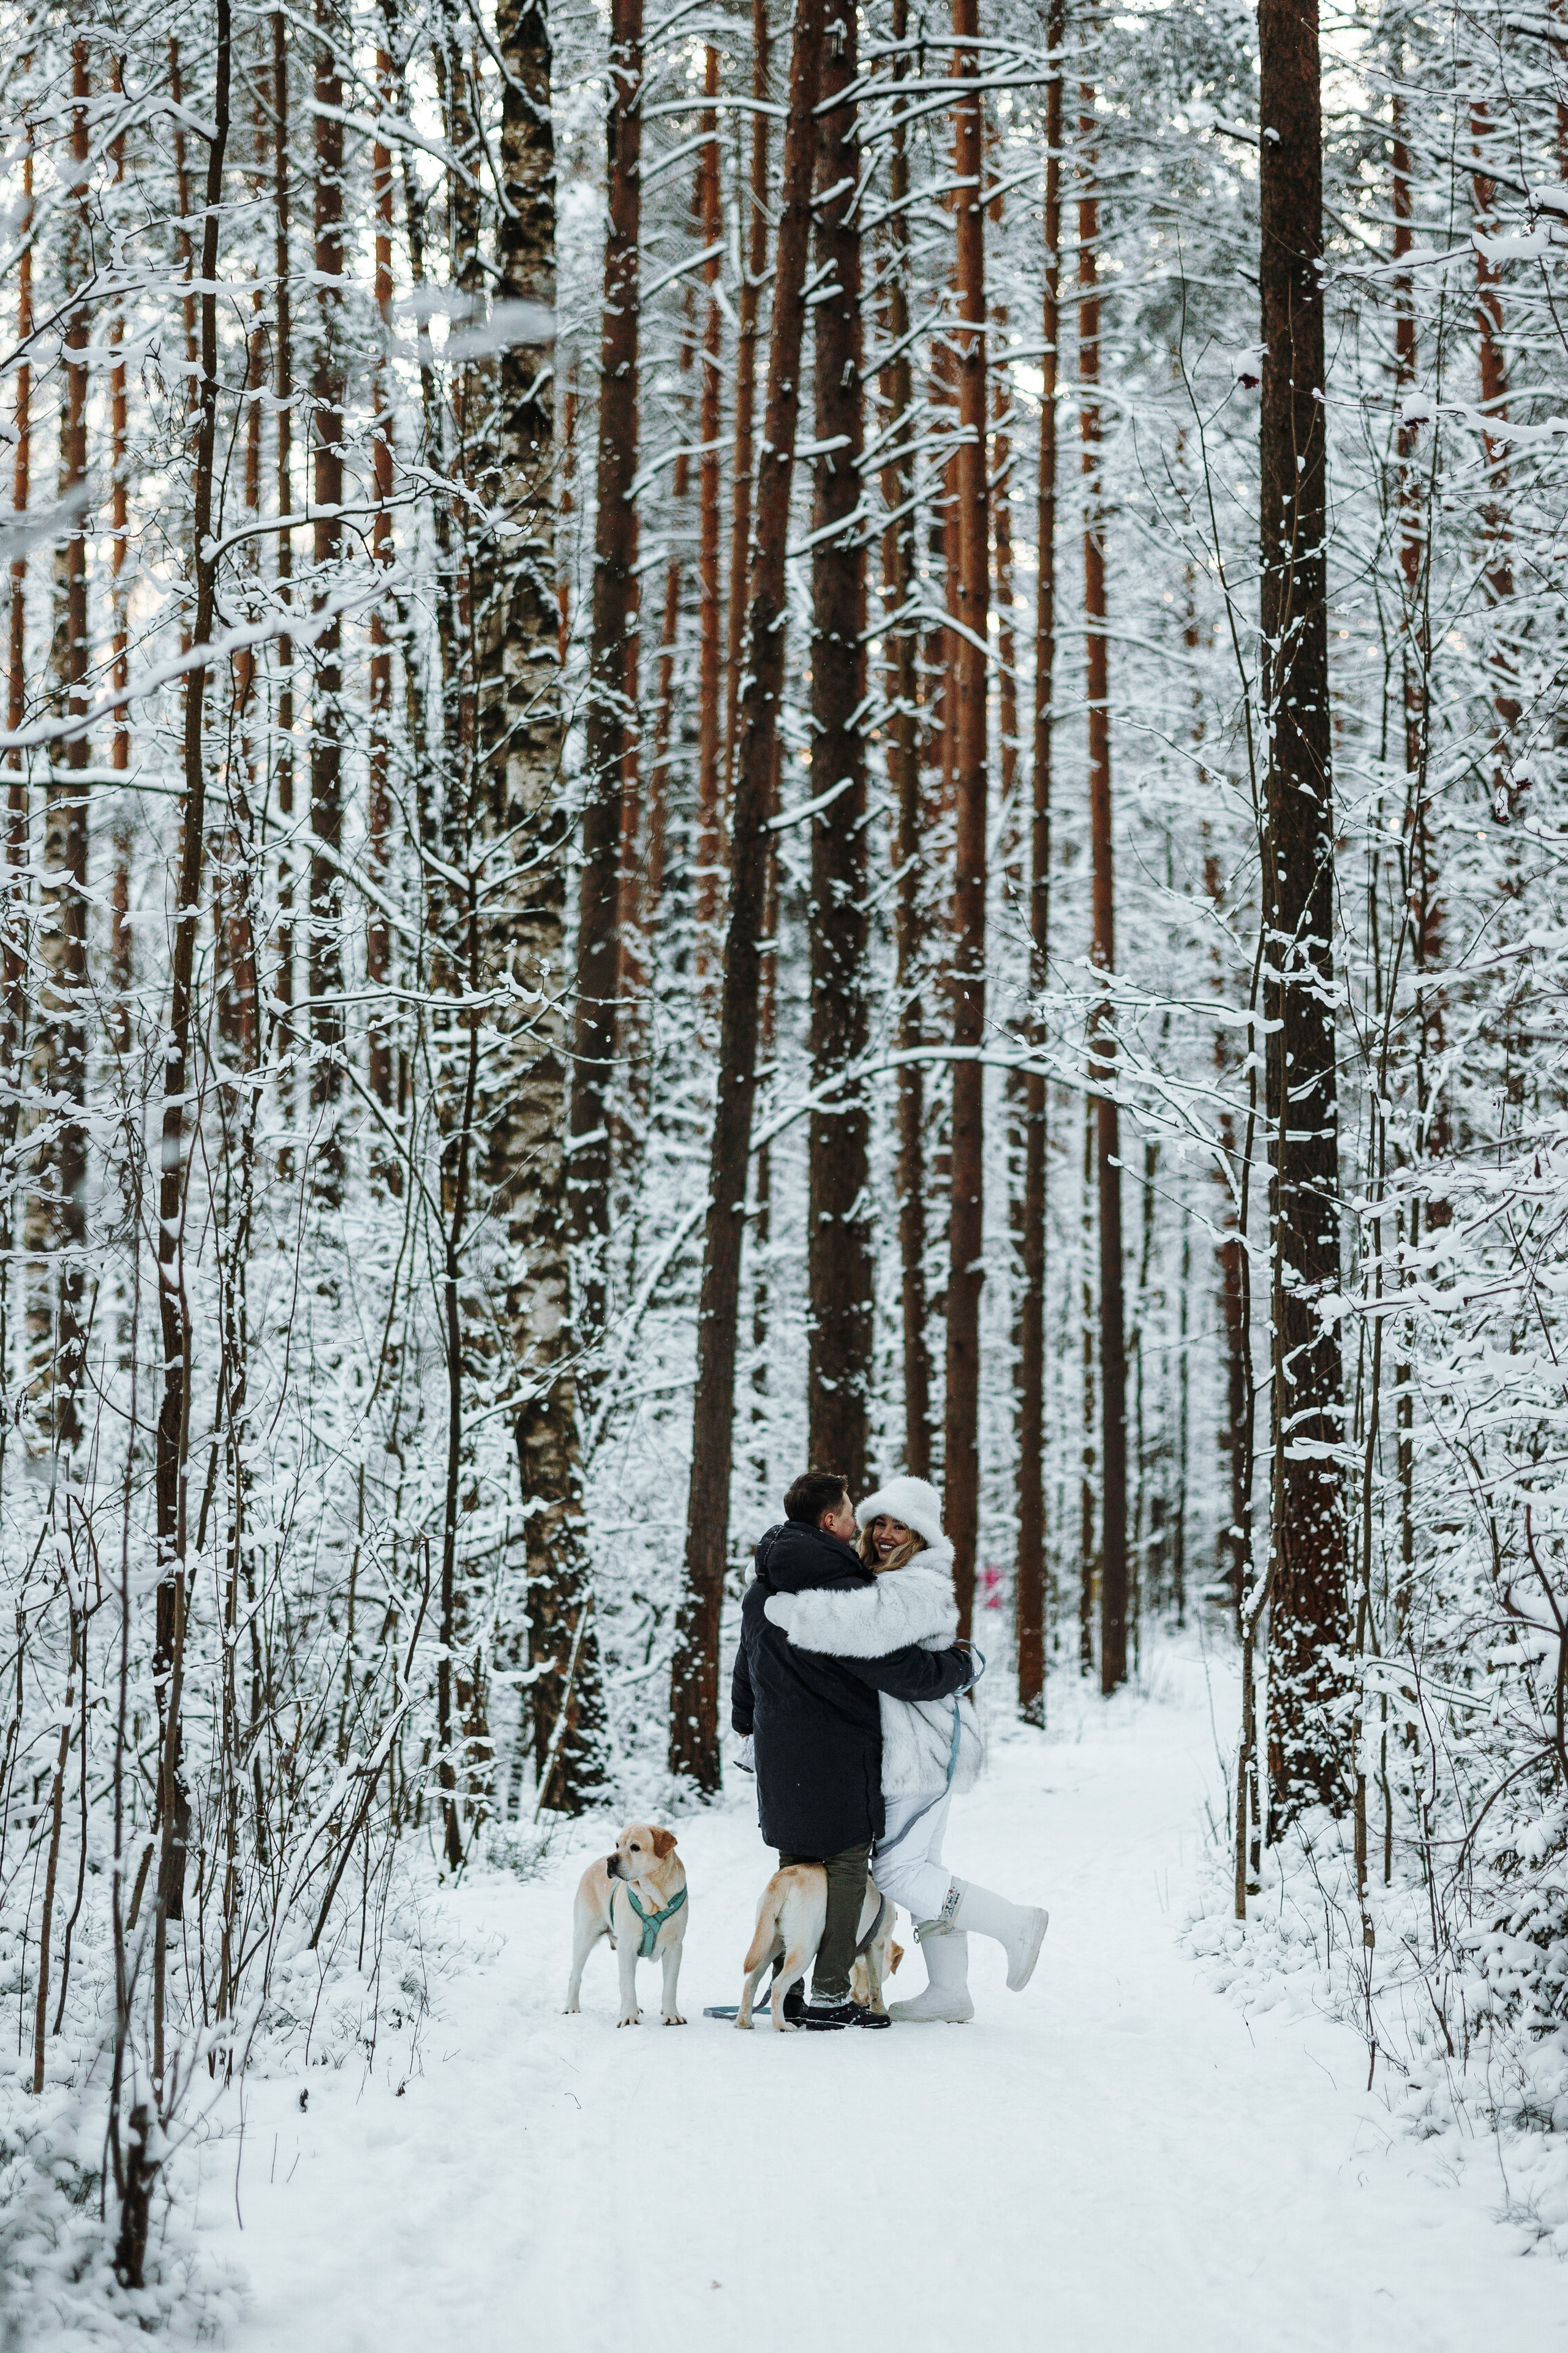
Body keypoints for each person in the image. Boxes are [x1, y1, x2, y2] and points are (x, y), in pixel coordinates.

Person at [763, 1474, 1048, 2023]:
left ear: (922, 1535)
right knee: (924, 1866)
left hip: (919, 1749)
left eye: (902, 1525)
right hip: (911, 1748)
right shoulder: (880, 1579)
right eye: (880, 1522)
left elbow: (869, 1646)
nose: (888, 1533)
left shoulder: (918, 1584)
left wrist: (792, 1615)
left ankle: (1017, 1923)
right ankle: (949, 1991)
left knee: (896, 1872)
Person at [730, 1468, 976, 2031]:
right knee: (843, 1867)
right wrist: (960, 1666)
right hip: (838, 1748)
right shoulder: (843, 1582)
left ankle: (783, 1992)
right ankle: (830, 1993)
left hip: (779, 1748)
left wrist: (747, 1721)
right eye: (851, 1511)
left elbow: (744, 1660)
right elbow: (886, 1662)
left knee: (795, 1869)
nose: (858, 1523)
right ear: (829, 1521)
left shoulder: (763, 1582)